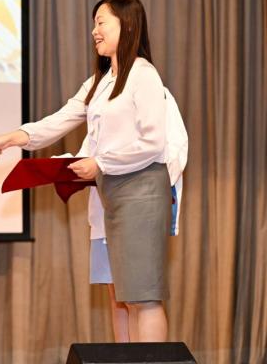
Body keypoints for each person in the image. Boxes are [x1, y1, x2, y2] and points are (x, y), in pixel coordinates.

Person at [0, 0, 172, 341]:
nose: (94, 31)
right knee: (119, 296)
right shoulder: (99, 81)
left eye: (101, 22)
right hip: (107, 196)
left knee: (142, 295)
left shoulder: (144, 75)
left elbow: (153, 142)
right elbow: (59, 120)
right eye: (94, 24)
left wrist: (100, 163)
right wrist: (11, 138)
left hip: (140, 194)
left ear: (127, 25)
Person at [55, 86, 187, 342]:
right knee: (118, 297)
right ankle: (124, 358)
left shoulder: (152, 90)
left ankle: (146, 360)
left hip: (138, 208)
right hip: (105, 212)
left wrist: (140, 186)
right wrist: (67, 166)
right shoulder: (102, 97)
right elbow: (91, 153)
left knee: (142, 296)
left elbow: (173, 150)